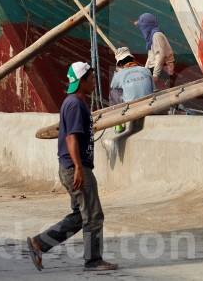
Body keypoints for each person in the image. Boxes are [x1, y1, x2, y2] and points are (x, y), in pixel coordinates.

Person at [27, 62, 117, 272]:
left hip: (70, 166)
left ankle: (39, 243)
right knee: (93, 215)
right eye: (92, 78)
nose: (94, 82)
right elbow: (71, 137)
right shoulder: (75, 104)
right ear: (82, 81)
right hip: (75, 168)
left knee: (80, 216)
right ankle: (93, 260)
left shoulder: (73, 103)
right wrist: (78, 167)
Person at [108, 47, 154, 132]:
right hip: (148, 103)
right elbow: (153, 88)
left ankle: (118, 124)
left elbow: (113, 85)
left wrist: (117, 72)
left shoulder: (120, 73)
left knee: (112, 92)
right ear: (132, 59)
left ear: (120, 64)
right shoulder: (146, 70)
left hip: (131, 106)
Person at [135, 13, 174, 88]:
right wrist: (145, 69)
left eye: (142, 26)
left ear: (146, 26)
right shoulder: (152, 35)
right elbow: (151, 57)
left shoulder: (156, 35)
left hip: (164, 70)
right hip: (156, 67)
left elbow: (160, 57)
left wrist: (155, 75)